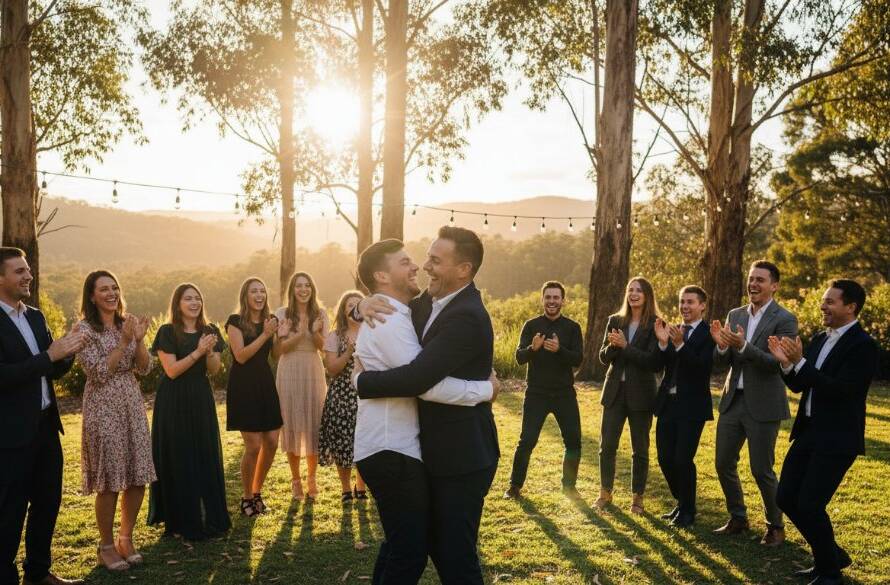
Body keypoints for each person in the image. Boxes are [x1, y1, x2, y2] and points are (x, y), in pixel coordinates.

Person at [355, 227, 500, 585]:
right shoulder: (426, 304)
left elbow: (420, 381)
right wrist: (362, 304)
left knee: (453, 557)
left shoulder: (466, 315)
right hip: (424, 452)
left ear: (463, 270)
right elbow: (387, 303)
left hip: (462, 456)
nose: (425, 266)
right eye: (424, 258)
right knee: (409, 545)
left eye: (435, 260)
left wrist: (363, 382)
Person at [770, 280, 878, 585]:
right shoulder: (819, 338)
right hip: (808, 433)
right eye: (823, 301)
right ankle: (830, 554)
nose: (823, 306)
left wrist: (800, 362)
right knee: (787, 497)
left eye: (830, 302)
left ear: (850, 307)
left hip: (837, 438)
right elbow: (801, 384)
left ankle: (829, 571)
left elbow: (842, 391)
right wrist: (788, 366)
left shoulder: (864, 346)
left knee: (810, 505)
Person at [0, 247, 85, 585]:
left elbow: (51, 367)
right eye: (19, 271)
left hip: (46, 428)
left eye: (28, 270)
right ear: (1, 277)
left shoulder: (35, 316)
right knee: (9, 512)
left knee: (48, 503)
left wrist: (69, 352)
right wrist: (49, 355)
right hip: (10, 435)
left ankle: (38, 573)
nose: (28, 276)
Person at [711, 260, 797, 546]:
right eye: (751, 279)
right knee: (723, 462)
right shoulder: (735, 314)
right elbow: (721, 360)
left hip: (764, 404)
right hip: (733, 400)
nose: (753, 284)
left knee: (762, 469)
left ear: (774, 285)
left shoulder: (785, 318)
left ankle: (775, 526)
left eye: (760, 280)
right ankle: (738, 517)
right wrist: (722, 346)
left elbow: (777, 364)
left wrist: (743, 346)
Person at [76, 270, 155, 571]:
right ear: (92, 296)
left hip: (131, 402)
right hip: (102, 405)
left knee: (137, 475)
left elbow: (145, 369)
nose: (111, 293)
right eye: (104, 289)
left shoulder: (127, 323)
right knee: (109, 479)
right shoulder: (84, 330)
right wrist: (122, 343)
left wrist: (139, 340)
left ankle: (126, 537)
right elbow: (96, 372)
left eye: (114, 288)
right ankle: (106, 545)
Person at [148, 283, 230, 540]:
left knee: (204, 451)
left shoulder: (210, 330)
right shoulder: (167, 332)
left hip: (200, 397)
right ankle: (181, 520)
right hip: (174, 400)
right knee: (179, 455)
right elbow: (171, 371)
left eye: (198, 298)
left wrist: (211, 353)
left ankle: (208, 517)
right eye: (188, 299)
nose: (194, 303)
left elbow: (215, 370)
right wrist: (198, 351)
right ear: (178, 303)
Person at [504, 281, 583, 500]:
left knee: (573, 441)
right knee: (527, 440)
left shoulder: (572, 327)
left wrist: (560, 350)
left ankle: (569, 486)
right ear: (542, 300)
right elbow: (519, 357)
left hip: (564, 393)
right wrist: (533, 348)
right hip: (536, 393)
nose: (552, 301)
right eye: (548, 297)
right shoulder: (531, 325)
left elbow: (578, 359)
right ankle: (514, 486)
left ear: (563, 301)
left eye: (556, 297)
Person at [596, 276, 664, 514]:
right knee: (607, 447)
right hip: (615, 392)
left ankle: (637, 498)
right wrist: (614, 346)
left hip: (642, 395)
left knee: (640, 449)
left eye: (638, 291)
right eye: (630, 290)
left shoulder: (656, 323)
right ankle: (605, 493)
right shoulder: (615, 320)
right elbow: (603, 358)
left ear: (647, 296)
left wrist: (626, 347)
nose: (633, 294)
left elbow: (654, 363)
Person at [653, 285, 715, 528]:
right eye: (682, 302)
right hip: (668, 403)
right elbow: (660, 364)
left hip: (692, 407)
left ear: (702, 306)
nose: (685, 307)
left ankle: (688, 511)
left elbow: (702, 368)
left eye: (690, 302)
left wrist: (680, 345)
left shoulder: (709, 334)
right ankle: (682, 502)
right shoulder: (674, 330)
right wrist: (662, 343)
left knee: (682, 459)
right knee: (664, 458)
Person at [225, 277, 282, 517]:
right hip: (244, 385)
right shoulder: (235, 322)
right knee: (254, 445)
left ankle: (257, 492)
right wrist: (265, 334)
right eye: (254, 291)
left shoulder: (270, 322)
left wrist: (279, 336)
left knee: (271, 442)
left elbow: (276, 355)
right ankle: (246, 497)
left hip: (265, 383)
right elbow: (241, 356)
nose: (259, 295)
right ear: (245, 296)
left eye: (262, 291)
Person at [274, 272, 329, 500]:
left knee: (314, 422)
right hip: (289, 369)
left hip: (312, 368)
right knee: (292, 423)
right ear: (292, 290)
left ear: (312, 289)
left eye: (307, 285)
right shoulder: (281, 314)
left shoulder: (321, 314)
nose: (303, 289)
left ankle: (312, 477)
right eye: (299, 286)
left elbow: (323, 347)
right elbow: (279, 351)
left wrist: (314, 332)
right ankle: (296, 479)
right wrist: (302, 332)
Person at [318, 290, 367, 504]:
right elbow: (331, 369)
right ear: (343, 310)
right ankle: (346, 488)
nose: (354, 308)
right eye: (349, 305)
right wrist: (347, 353)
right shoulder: (334, 336)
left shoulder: (373, 332)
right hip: (341, 395)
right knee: (343, 443)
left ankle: (361, 486)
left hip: (366, 393)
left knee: (364, 441)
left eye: (358, 304)